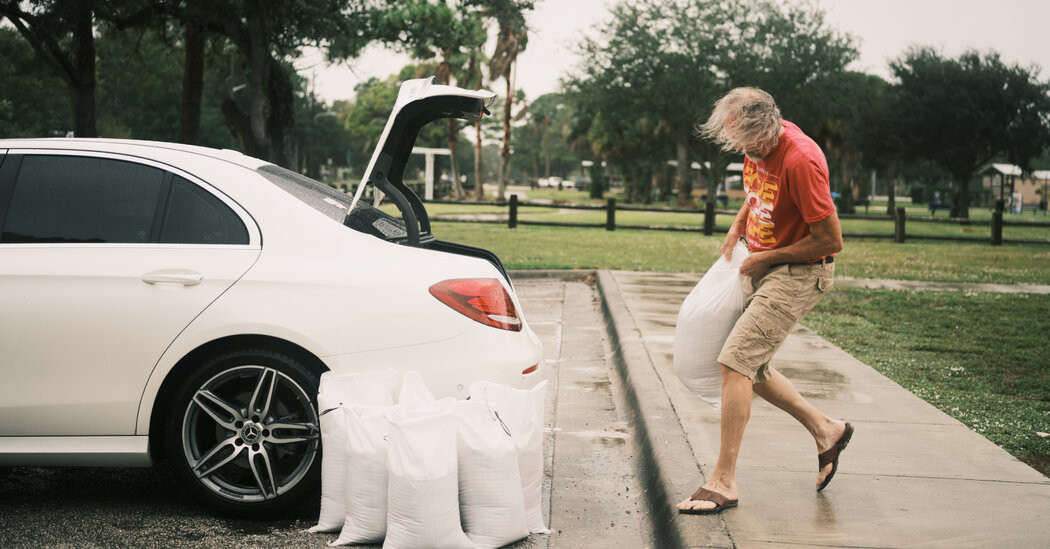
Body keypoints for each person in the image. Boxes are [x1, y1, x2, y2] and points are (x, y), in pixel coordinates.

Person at [676, 87, 852, 514]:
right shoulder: (756, 149)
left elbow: (831, 240)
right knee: (750, 366)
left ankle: (724, 481)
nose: (737, 149)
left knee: (735, 360)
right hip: (764, 264)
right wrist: (739, 227)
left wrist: (766, 258)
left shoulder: (801, 160)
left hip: (801, 272)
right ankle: (827, 429)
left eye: (742, 141)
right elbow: (758, 197)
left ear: (766, 129)